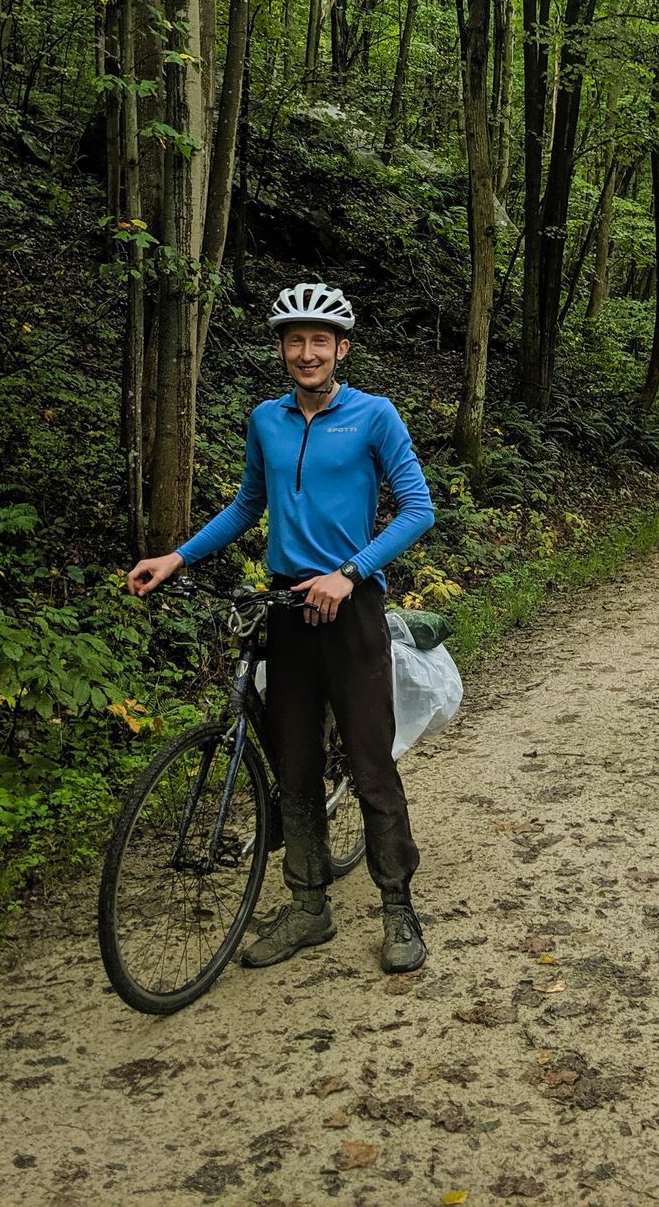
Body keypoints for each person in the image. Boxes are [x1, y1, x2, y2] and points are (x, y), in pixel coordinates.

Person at [128, 280, 435, 974]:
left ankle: (397, 908)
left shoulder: (375, 415)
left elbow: (418, 509)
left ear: (341, 349)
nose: (306, 352)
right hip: (286, 611)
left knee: (370, 763)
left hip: (350, 608)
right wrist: (175, 556)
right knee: (294, 768)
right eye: (294, 341)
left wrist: (349, 572)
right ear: (282, 350)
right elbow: (245, 506)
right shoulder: (265, 419)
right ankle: (308, 906)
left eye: (319, 341)